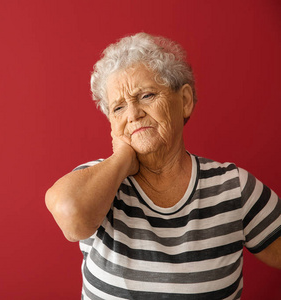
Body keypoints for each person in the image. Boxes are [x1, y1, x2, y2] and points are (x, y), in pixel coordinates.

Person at [45, 33, 281, 299]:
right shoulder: (99, 181)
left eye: (146, 95)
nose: (133, 114)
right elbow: (71, 218)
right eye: (118, 108)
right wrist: (123, 157)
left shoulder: (232, 187)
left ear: (185, 101)